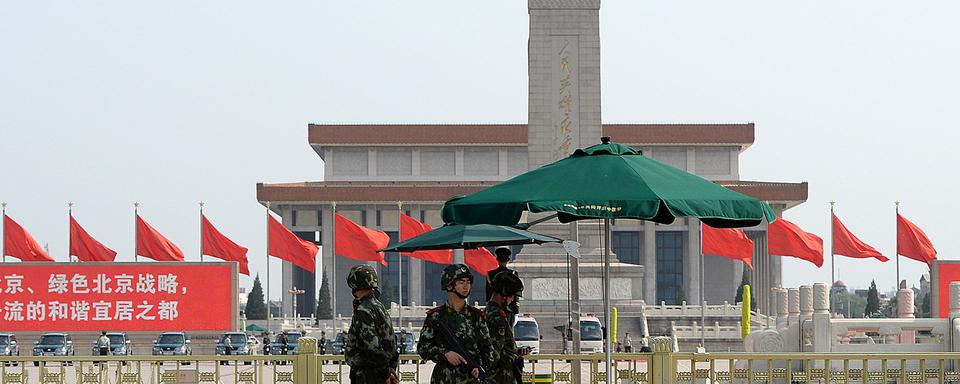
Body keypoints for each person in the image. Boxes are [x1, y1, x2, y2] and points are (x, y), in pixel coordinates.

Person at [418, 264, 496, 384]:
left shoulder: (476, 317)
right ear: (449, 285)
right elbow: (423, 348)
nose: (466, 286)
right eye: (461, 282)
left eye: (468, 282)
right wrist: (445, 354)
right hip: (444, 379)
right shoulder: (436, 317)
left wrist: (480, 368)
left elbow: (488, 350)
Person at [344, 265, 399, 384]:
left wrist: (385, 373)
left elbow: (372, 347)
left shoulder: (364, 310)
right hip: (380, 372)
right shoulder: (379, 306)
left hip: (369, 375)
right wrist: (390, 369)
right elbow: (392, 342)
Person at [485, 272, 528, 384]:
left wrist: (515, 351)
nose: (512, 300)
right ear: (504, 293)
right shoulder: (497, 317)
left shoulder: (488, 311)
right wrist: (513, 357)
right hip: (501, 377)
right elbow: (494, 355)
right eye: (511, 296)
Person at [485, 247, 520, 324]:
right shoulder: (513, 274)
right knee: (508, 333)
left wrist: (488, 308)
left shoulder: (490, 274)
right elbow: (516, 294)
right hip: (509, 309)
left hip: (494, 308)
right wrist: (516, 310)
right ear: (508, 260)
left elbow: (488, 294)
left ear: (497, 259)